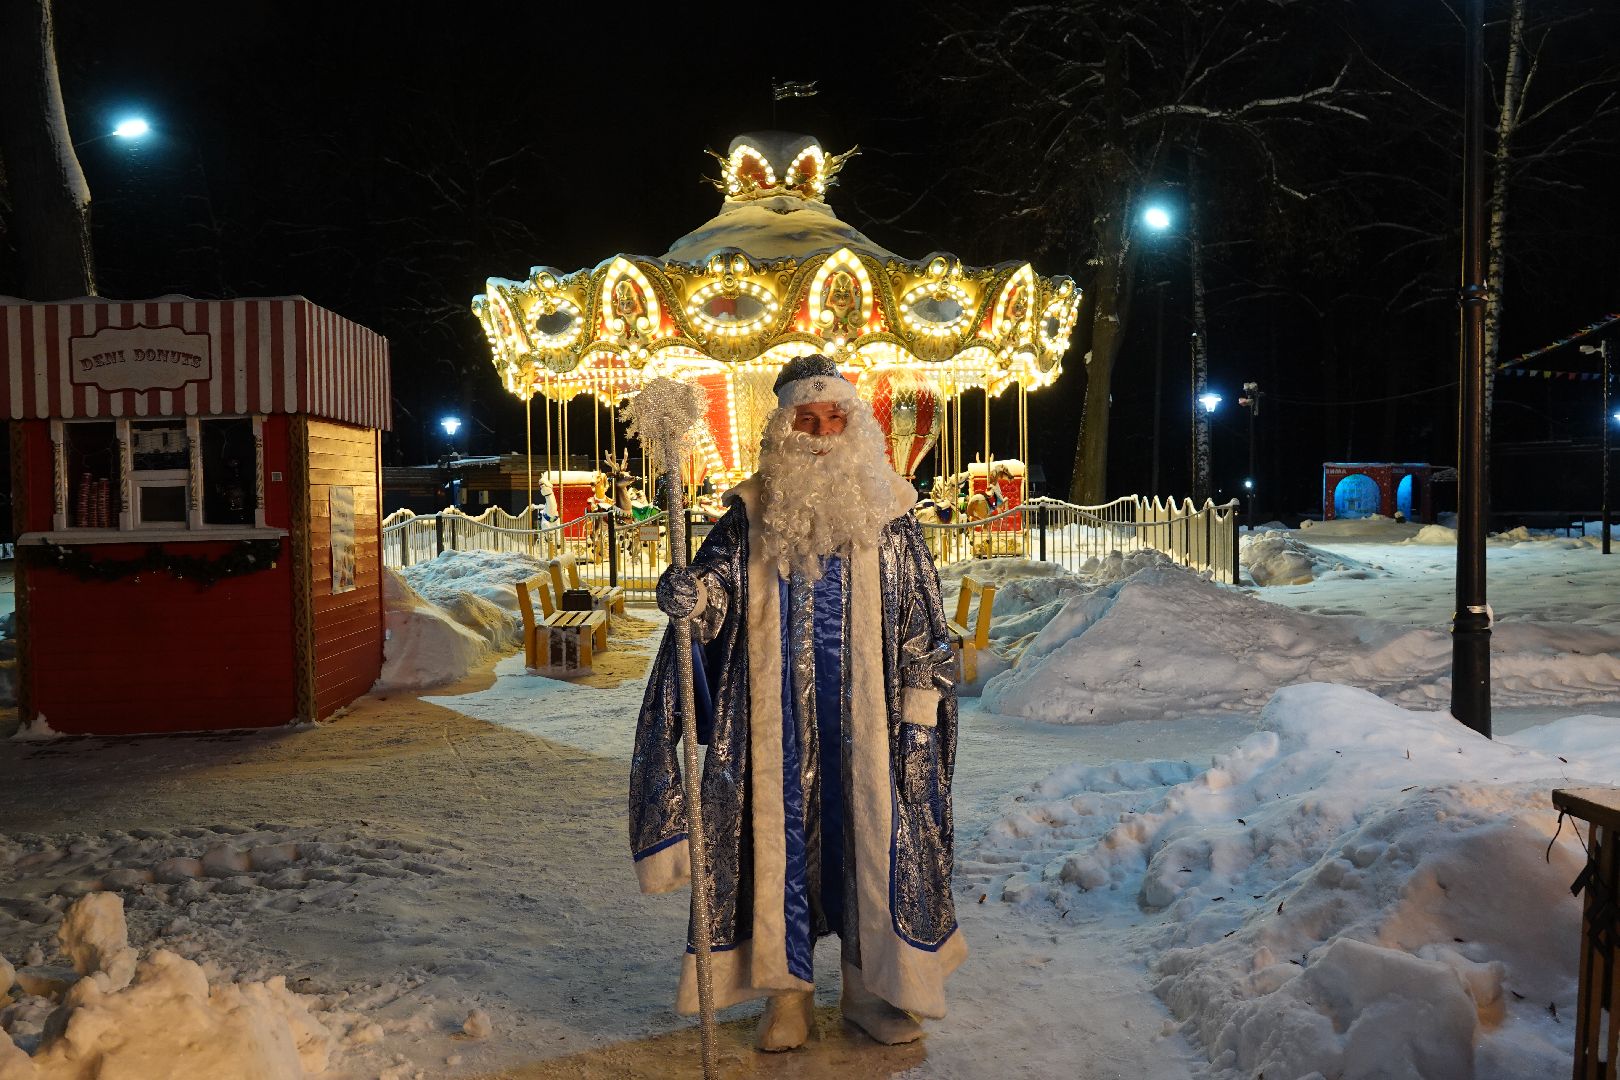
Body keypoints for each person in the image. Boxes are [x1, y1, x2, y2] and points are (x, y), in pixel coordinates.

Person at [630, 354, 965, 1052]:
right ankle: (788, 997)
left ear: (855, 424)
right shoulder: (749, 517)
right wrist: (695, 598)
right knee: (776, 851)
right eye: (806, 420)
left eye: (833, 417)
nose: (819, 433)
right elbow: (715, 596)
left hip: (874, 728)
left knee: (870, 849)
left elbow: (925, 619)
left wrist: (920, 705)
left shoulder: (893, 516)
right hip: (770, 729)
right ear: (783, 427)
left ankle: (870, 994)